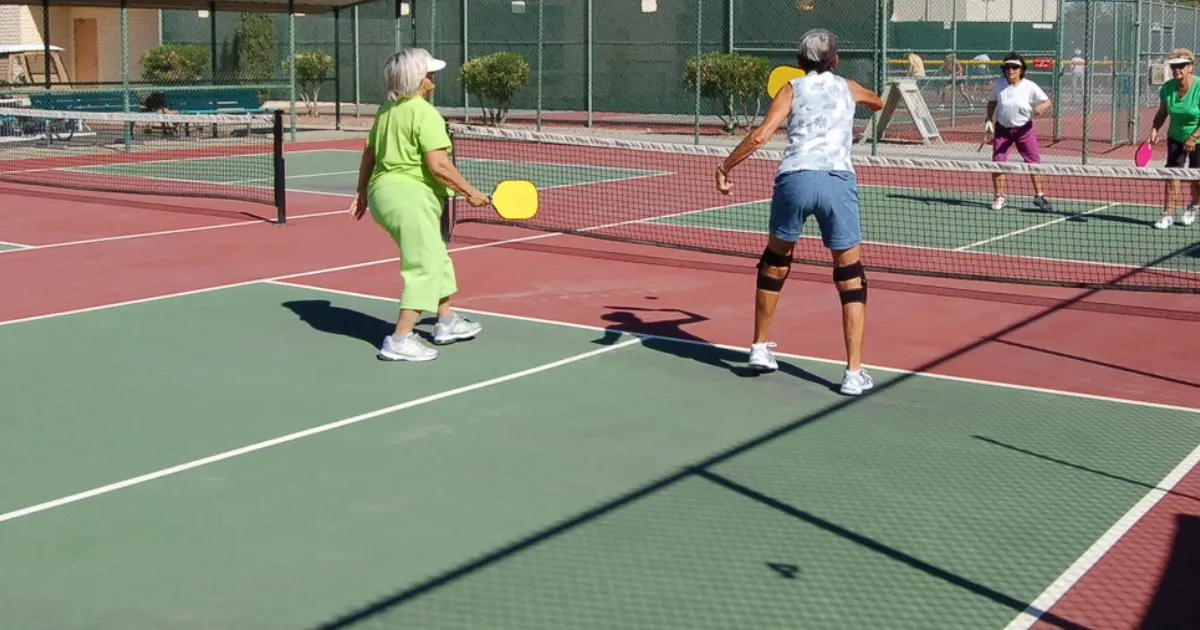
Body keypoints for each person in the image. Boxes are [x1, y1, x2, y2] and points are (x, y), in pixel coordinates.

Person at [714, 28, 884, 396]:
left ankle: (759, 347)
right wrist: (859, 97)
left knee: (774, 261)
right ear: (835, 60)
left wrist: (726, 167)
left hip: (795, 179)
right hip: (837, 181)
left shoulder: (791, 89)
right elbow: (879, 103)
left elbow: (760, 136)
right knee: (850, 274)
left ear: (798, 62)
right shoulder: (848, 86)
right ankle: (853, 374)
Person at [349, 48, 492, 362]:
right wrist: (470, 192)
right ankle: (400, 338)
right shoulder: (425, 114)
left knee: (436, 255)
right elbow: (439, 165)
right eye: (429, 75)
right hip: (409, 197)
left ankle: (446, 321)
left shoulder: (386, 109)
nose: (434, 81)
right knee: (424, 265)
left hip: (384, 195)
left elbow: (370, 153)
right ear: (416, 79)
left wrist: (361, 192)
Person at [984, 52, 1054, 213]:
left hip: (1024, 130)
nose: (1011, 70)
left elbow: (1048, 102)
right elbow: (992, 102)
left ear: (1022, 70)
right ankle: (1000, 196)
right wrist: (988, 119)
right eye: (1008, 67)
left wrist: (1042, 108)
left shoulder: (1030, 86)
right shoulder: (999, 85)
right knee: (998, 162)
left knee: (1034, 162)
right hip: (1002, 130)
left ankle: (1040, 196)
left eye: (1015, 67)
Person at [1146, 48, 1200, 230]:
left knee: (1197, 178)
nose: (1177, 69)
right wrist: (1155, 129)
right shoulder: (1167, 88)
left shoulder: (1199, 87)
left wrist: (1193, 137)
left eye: (1181, 66)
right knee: (1173, 176)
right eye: (1174, 66)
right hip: (1175, 137)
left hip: (1198, 138)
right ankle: (1168, 214)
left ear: (1190, 67)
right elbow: (1162, 113)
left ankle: (1194, 205)